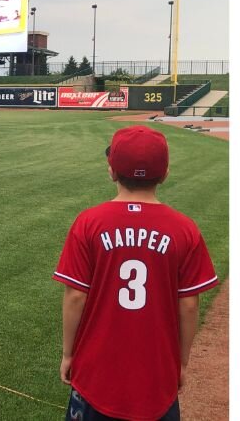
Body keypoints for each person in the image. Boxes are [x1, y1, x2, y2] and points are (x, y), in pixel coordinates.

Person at [52, 125, 219, 421]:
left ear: (112, 171)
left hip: (95, 372)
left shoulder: (89, 222)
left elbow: (76, 295)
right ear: (165, 173)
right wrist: (181, 363)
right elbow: (189, 304)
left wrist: (68, 354)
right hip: (157, 376)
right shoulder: (184, 229)